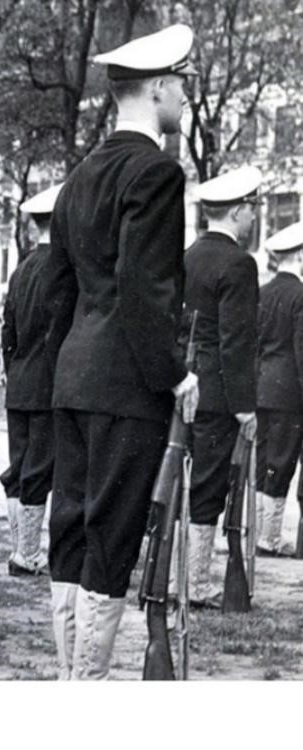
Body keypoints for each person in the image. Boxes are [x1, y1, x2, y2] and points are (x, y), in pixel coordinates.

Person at [42, 24, 199, 679]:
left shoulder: (78, 177)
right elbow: (146, 288)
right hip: (124, 383)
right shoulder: (155, 172)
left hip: (74, 378)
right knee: (111, 537)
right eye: (180, 85)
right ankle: (87, 684)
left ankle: (70, 676)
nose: (184, 97)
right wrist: (174, 373)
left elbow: (58, 293)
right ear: (158, 87)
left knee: (73, 530)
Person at [183, 167, 261, 602]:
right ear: (237, 211)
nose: (253, 220)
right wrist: (245, 406)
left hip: (187, 388)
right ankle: (197, 584)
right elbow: (237, 342)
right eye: (251, 210)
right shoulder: (238, 263)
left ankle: (183, 576)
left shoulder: (188, 255)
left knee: (185, 483)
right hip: (217, 395)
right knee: (209, 490)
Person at [0, 184, 62, 576]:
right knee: (38, 470)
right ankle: (27, 553)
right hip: (45, 385)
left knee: (19, 468)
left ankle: (20, 548)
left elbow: (8, 333)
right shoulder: (62, 268)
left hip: (19, 383)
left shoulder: (22, 269)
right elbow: (58, 334)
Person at [254, 220, 303, 557]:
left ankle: (255, 534)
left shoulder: (265, 291)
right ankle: (269, 539)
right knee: (282, 463)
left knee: (263, 462)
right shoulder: (300, 295)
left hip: (262, 387)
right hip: (289, 393)